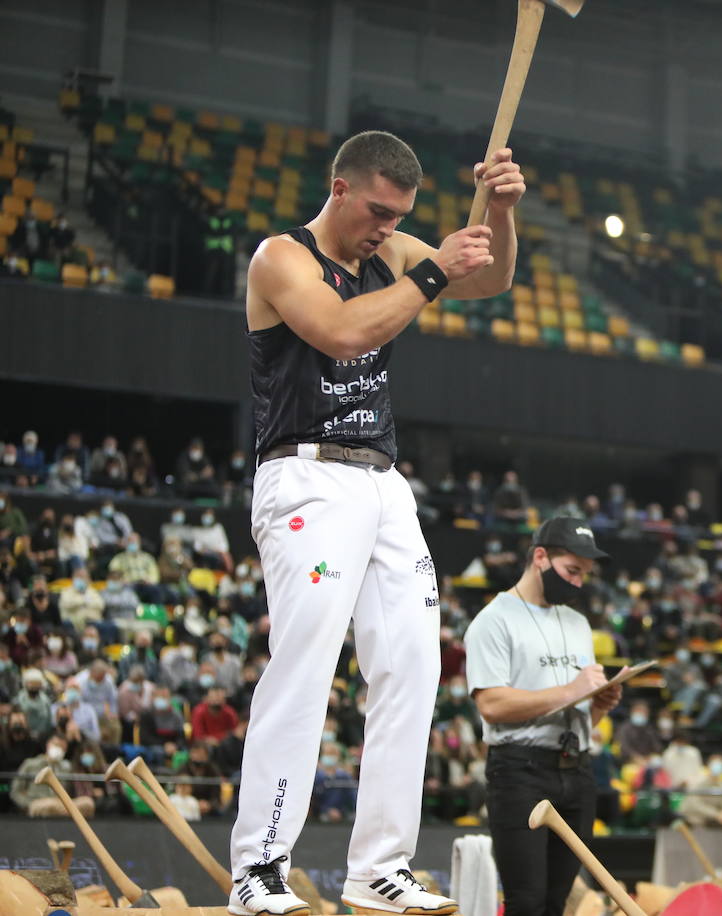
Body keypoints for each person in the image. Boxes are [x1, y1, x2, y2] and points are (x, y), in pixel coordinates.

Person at [227, 129, 523, 916]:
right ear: (341, 188)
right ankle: (258, 869)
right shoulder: (280, 258)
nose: (387, 229)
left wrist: (499, 208)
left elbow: (488, 279)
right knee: (306, 665)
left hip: (383, 482)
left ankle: (378, 866)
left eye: (402, 218)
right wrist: (432, 266)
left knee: (413, 666)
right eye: (380, 213)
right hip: (307, 474)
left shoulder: (386, 253)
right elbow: (344, 330)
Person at [464, 519, 621, 916]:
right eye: (572, 571)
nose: (578, 583)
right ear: (540, 557)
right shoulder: (494, 619)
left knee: (556, 902)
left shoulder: (578, 622)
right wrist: (572, 691)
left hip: (576, 769)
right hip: (520, 772)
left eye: (585, 575)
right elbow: (492, 705)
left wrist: (597, 706)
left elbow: (575, 710)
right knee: (527, 902)